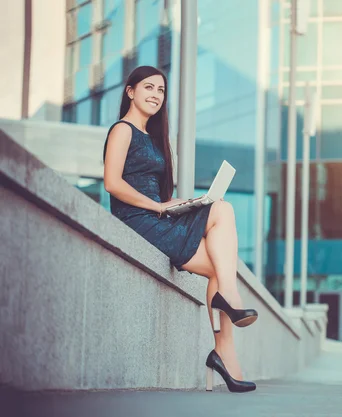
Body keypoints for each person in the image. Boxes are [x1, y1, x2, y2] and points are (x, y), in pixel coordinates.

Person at [103, 65, 257, 393]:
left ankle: (223, 352)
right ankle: (227, 314)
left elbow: (158, 194)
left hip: (159, 217)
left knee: (220, 254)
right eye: (148, 88)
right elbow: (112, 183)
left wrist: (182, 202)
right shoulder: (122, 130)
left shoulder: (156, 140)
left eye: (160, 90)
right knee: (224, 214)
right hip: (138, 221)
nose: (156, 95)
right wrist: (158, 207)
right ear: (130, 91)